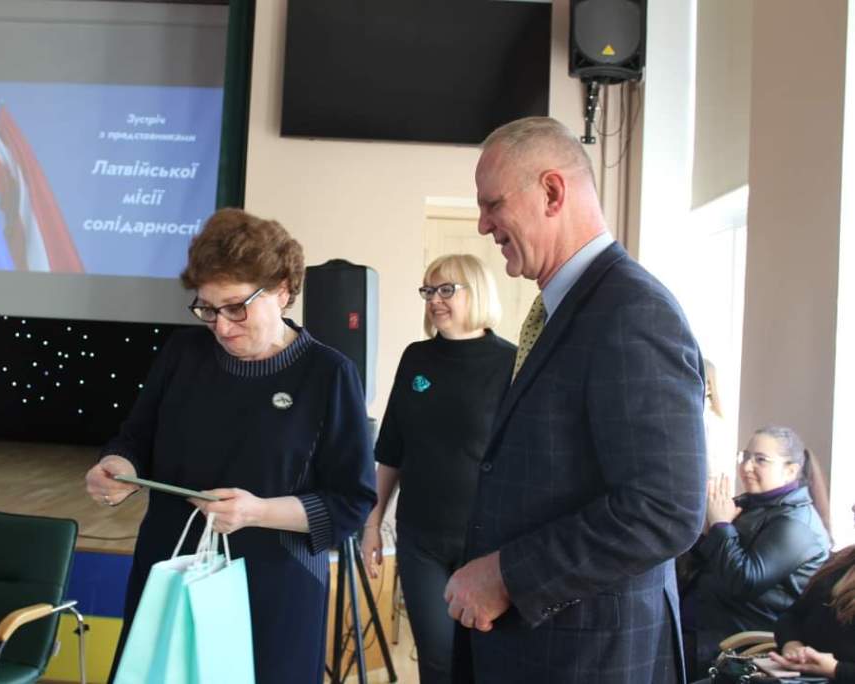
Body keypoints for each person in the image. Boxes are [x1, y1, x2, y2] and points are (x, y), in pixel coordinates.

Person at [443, 116, 707, 683]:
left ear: (552, 192)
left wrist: (507, 576)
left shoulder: (634, 312)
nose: (483, 225)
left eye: (492, 205)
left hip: (588, 659)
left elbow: (665, 508)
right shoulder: (567, 308)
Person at [84, 208, 377, 683]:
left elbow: (351, 503)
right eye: (207, 308)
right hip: (170, 575)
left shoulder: (329, 374)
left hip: (273, 590)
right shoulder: (183, 353)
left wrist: (256, 511)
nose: (221, 326)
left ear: (283, 289)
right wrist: (118, 466)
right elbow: (135, 438)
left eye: (236, 306)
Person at [360, 254, 515, 684]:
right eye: (429, 291)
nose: (434, 300)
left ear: (477, 292)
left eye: (447, 289)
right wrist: (372, 525)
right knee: (438, 659)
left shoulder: (511, 363)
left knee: (483, 659)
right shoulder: (416, 358)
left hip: (486, 541)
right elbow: (392, 449)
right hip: (420, 538)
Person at [686, 426, 831, 673]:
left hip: (739, 640)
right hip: (705, 623)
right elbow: (705, 565)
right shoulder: (749, 506)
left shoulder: (797, 523)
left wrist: (721, 526)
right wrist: (707, 531)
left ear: (790, 470)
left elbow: (744, 581)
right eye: (745, 456)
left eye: (760, 460)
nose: (747, 466)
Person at [765, 501, 855, 682]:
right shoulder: (840, 561)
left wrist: (835, 669)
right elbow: (792, 616)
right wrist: (792, 645)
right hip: (800, 676)